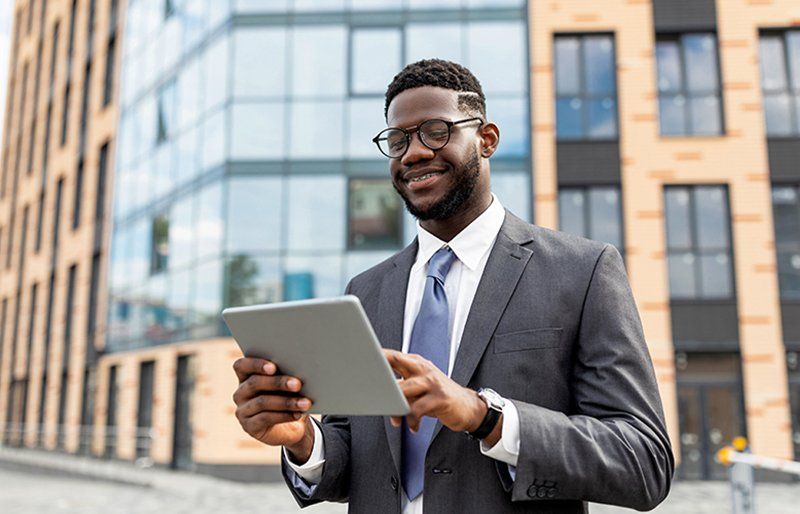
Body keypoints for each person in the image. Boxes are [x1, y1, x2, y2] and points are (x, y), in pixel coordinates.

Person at [232, 59, 674, 513]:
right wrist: (303, 440)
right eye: (398, 140)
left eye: (436, 131)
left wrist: (485, 417)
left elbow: (643, 462)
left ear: (487, 139)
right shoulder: (366, 291)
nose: (413, 153)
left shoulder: (583, 272)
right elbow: (358, 460)